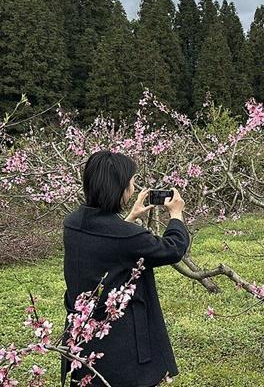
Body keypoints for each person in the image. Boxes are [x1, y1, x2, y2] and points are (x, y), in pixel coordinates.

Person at [61, 151, 189, 387]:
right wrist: (176, 216)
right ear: (118, 188)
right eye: (130, 183)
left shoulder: (73, 223)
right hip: (122, 343)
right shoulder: (127, 237)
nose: (132, 189)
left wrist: (128, 219)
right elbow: (173, 249)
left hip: (85, 335)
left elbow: (106, 244)